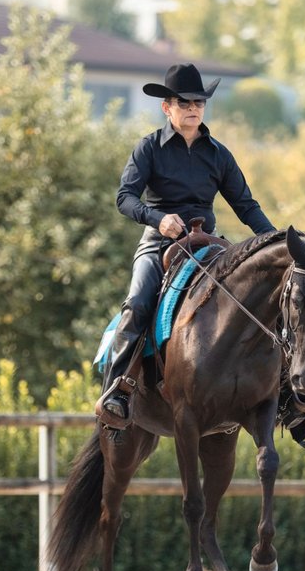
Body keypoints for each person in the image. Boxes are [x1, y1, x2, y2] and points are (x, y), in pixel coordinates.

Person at [95, 62, 278, 427]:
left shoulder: (219, 154)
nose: (194, 108)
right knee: (138, 302)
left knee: (260, 299)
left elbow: (245, 206)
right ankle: (117, 391)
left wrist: (275, 242)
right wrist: (156, 218)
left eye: (199, 102)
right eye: (185, 102)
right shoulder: (149, 148)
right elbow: (124, 198)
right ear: (168, 107)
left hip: (208, 245)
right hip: (158, 243)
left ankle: (283, 391)